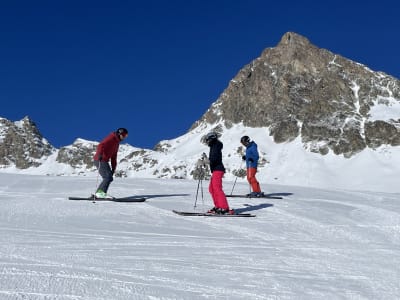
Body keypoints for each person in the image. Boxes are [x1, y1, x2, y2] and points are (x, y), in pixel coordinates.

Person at [203, 131, 233, 214]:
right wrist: (206, 160)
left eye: (208, 140)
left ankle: (224, 208)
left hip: (218, 169)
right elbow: (213, 158)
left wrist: (207, 161)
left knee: (217, 188)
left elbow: (215, 158)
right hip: (215, 170)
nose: (207, 141)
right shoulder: (213, 146)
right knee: (211, 189)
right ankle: (218, 206)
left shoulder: (216, 145)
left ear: (212, 138)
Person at [93, 128, 128, 199]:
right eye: (124, 135)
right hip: (100, 159)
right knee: (107, 177)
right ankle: (99, 194)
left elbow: (113, 157)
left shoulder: (117, 143)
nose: (124, 137)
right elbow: (101, 145)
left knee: (109, 178)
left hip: (104, 161)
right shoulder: (111, 137)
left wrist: (113, 169)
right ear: (119, 134)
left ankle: (99, 194)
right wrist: (100, 154)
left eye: (126, 136)